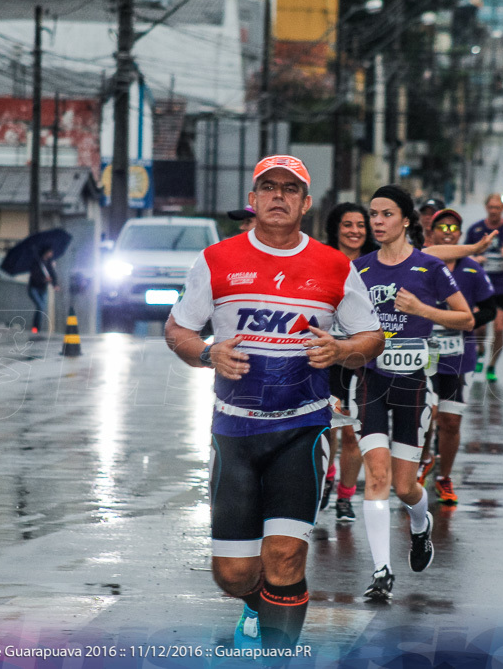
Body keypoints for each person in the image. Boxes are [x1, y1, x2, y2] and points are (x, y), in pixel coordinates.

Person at [164, 155, 383, 649]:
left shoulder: (334, 265)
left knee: (285, 556)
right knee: (233, 573)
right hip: (235, 432)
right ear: (253, 199)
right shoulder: (217, 259)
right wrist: (206, 352)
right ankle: (253, 599)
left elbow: (372, 336)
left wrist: (344, 349)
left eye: (290, 189)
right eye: (268, 187)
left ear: (306, 203)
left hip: (302, 430)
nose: (278, 196)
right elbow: (177, 328)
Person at [353, 185, 474, 600]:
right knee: (377, 477)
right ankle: (382, 571)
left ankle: (420, 527)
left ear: (406, 220)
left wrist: (422, 310)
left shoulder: (428, 268)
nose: (378, 222)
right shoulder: (361, 269)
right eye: (373, 214)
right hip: (371, 380)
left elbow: (466, 318)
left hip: (412, 385)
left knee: (405, 487)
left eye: (386, 214)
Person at [417, 208, 497, 505]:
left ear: (460, 235)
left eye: (454, 228)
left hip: (457, 355)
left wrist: (464, 318)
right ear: (432, 232)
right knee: (428, 414)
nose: (448, 231)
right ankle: (424, 459)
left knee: (450, 421)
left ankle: (444, 477)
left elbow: (491, 308)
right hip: (423, 355)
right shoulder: (420, 263)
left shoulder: (473, 270)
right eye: (442, 227)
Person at [322, 202, 379, 523]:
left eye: (360, 224)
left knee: (353, 431)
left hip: (363, 357)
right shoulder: (321, 259)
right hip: (329, 354)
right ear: (336, 228)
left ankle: (346, 497)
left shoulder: (376, 263)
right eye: (347, 225)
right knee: (329, 423)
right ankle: (328, 475)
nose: (355, 231)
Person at [464, 193, 503, 382]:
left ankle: (492, 366)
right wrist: (475, 258)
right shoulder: (476, 229)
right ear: (486, 208)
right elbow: (464, 253)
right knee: (479, 327)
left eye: (497, 208)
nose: (493, 211)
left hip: (502, 287)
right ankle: (480, 350)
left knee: (499, 328)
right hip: (479, 287)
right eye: (491, 207)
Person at [28, 245, 60, 334]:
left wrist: (55, 284)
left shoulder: (49, 263)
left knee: (41, 308)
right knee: (40, 306)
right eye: (50, 252)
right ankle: (36, 328)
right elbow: (34, 275)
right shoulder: (37, 262)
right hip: (34, 288)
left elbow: (53, 274)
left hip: (43, 289)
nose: (52, 254)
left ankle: (36, 328)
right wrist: (44, 279)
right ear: (46, 252)